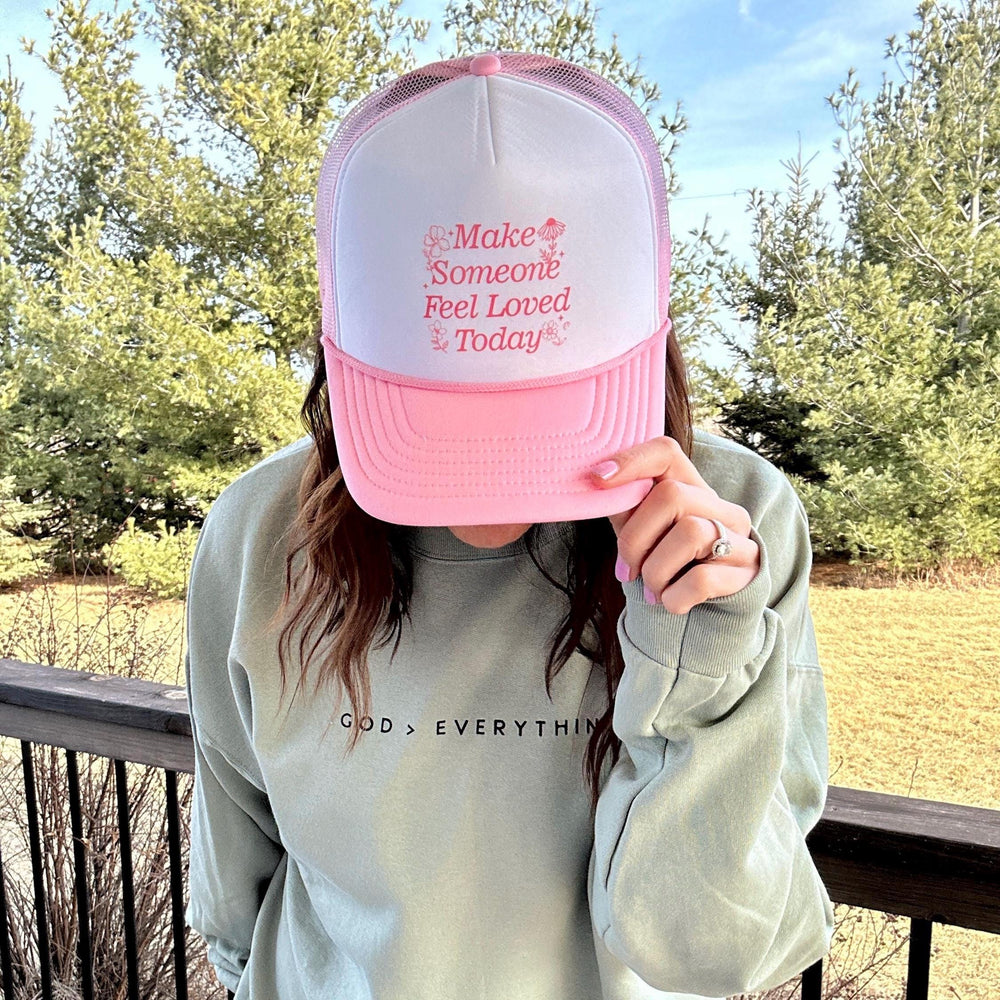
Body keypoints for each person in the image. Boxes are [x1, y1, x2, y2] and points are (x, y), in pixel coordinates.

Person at [183, 51, 835, 1000]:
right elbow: (234, 872)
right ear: (340, 353)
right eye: (437, 423)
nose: (487, 492)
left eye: (542, 418)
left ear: (648, 341)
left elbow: (715, 948)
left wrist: (695, 660)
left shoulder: (737, 528)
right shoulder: (256, 534)